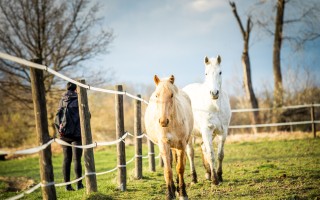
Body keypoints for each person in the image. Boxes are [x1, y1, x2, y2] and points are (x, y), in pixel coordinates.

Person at [56, 82, 84, 191]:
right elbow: (87, 115)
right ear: (76, 89)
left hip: (64, 134)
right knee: (77, 159)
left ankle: (67, 186)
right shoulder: (79, 99)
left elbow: (57, 116)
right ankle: (79, 184)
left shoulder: (62, 99)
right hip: (76, 134)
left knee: (66, 159)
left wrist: (60, 130)